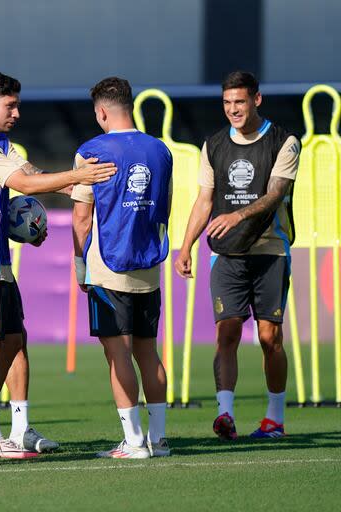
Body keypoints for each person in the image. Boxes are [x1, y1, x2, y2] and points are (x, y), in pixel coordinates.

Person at [0, 72, 117, 458]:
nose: (18, 113)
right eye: (11, 105)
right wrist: (79, 174)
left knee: (13, 342)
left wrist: (70, 186)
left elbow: (31, 173)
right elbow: (24, 186)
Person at [174, 71, 299, 440]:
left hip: (270, 250)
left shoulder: (284, 141)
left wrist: (237, 215)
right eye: (227, 103)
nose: (233, 110)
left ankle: (274, 419)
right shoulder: (213, 145)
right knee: (226, 332)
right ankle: (225, 415)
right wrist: (186, 246)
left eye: (240, 102)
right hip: (226, 254)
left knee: (269, 338)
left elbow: (276, 193)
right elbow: (204, 202)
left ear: (256, 100)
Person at [71, 77, 173, 459]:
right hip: (148, 265)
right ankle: (159, 440)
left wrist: (80, 265)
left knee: (118, 354)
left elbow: (82, 219)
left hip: (108, 267)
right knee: (149, 352)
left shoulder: (92, 151)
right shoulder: (161, 151)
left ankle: (133, 442)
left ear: (101, 111)